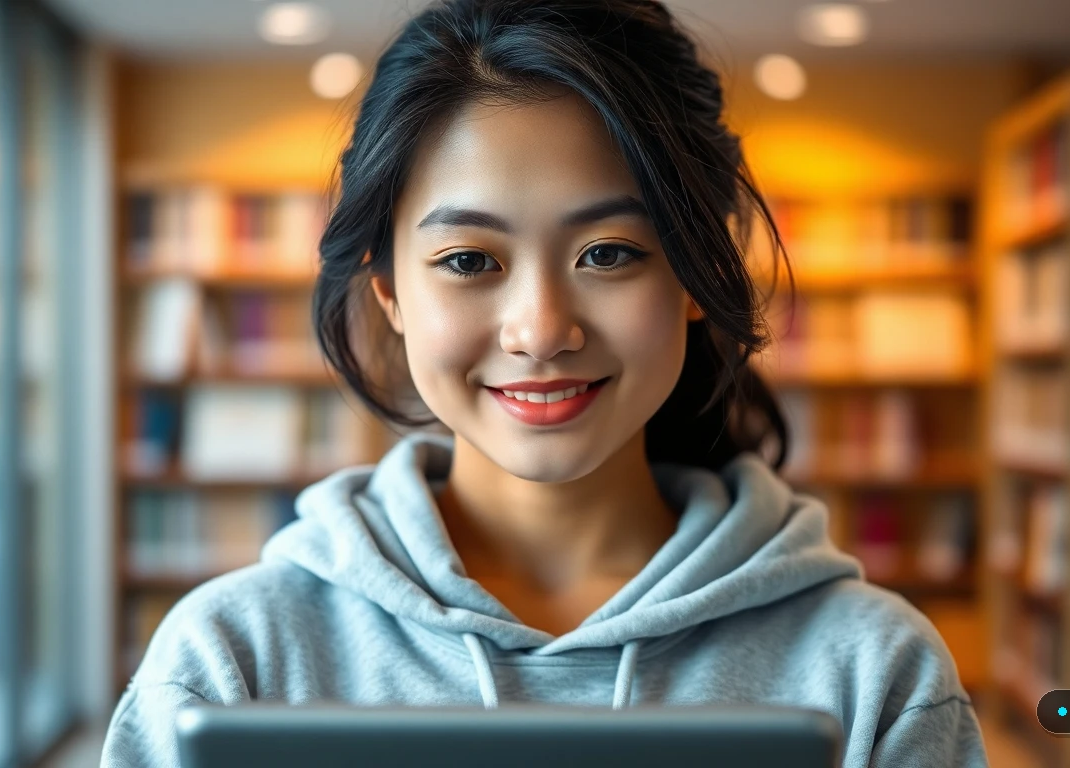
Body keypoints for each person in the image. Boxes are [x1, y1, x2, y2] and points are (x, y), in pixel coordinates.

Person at [100, 0, 988, 765]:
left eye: (608, 253)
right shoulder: (231, 663)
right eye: (469, 259)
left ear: (691, 276)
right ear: (389, 291)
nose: (541, 330)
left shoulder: (875, 672)